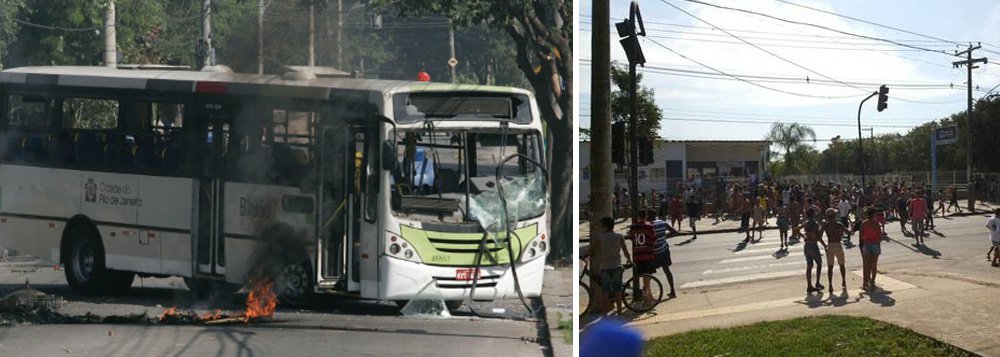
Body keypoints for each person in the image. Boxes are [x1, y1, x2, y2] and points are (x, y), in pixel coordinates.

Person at [593, 217, 632, 313]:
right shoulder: (619, 236)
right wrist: (630, 261)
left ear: (605, 227)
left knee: (605, 291)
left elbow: (592, 250)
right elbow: (625, 251)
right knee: (618, 290)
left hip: (604, 266)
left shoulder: (600, 237)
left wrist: (584, 255)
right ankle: (619, 311)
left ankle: (605, 312)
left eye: (602, 226)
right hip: (616, 266)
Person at [628, 216, 659, 304]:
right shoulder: (649, 226)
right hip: (647, 255)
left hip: (638, 255)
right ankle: (647, 298)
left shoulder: (633, 227)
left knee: (644, 277)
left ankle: (648, 297)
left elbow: (631, 237)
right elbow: (654, 239)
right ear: (645, 217)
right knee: (647, 277)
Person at [649, 211, 679, 299]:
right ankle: (672, 291)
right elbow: (674, 232)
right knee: (667, 270)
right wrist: (665, 237)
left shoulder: (649, 225)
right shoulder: (663, 223)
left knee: (649, 272)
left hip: (653, 251)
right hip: (663, 250)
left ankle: (647, 292)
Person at [823, 208, 847, 294]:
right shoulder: (838, 224)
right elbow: (847, 232)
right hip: (838, 244)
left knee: (830, 267)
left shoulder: (825, 225)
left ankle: (830, 285)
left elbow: (819, 236)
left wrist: (824, 245)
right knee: (842, 265)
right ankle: (843, 281)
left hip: (830, 245)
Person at [802, 209, 826, 294]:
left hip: (807, 245)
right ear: (812, 214)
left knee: (809, 266)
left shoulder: (805, 223)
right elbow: (819, 237)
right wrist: (825, 245)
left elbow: (796, 229)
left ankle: (809, 285)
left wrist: (803, 237)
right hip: (813, 245)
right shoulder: (815, 224)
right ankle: (817, 283)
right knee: (819, 263)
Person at [860, 208, 882, 291]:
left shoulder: (864, 223)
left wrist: (866, 238)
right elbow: (879, 234)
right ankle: (872, 282)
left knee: (866, 265)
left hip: (867, 244)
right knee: (874, 265)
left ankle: (865, 283)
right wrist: (877, 240)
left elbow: (862, 235)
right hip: (875, 243)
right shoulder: (876, 223)